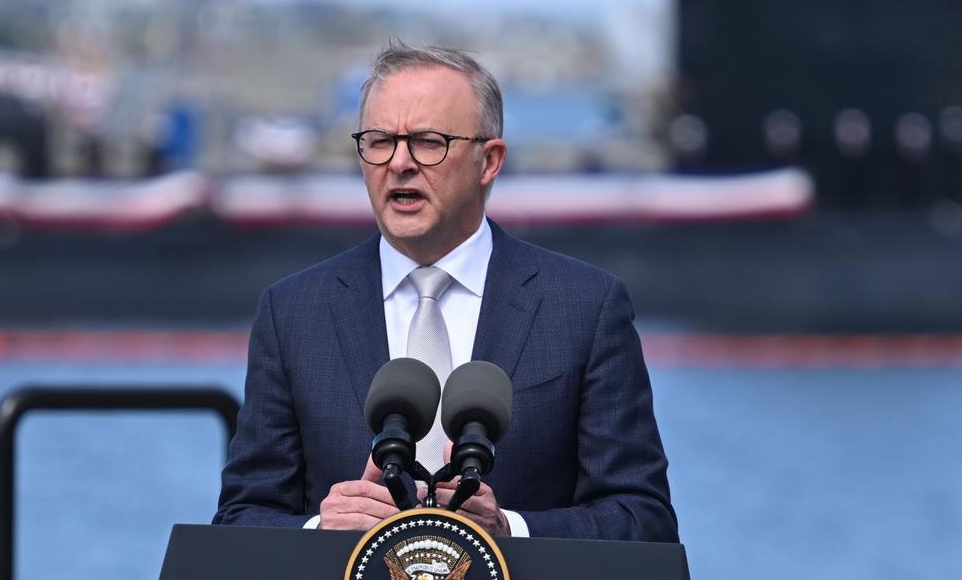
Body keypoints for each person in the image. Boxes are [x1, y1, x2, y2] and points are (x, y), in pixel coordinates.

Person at [214, 41, 677, 544]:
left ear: (489, 161)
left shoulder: (585, 308)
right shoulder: (294, 313)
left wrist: (508, 529)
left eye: (428, 142)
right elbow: (241, 520)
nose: (399, 163)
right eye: (379, 140)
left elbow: (643, 519)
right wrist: (320, 527)